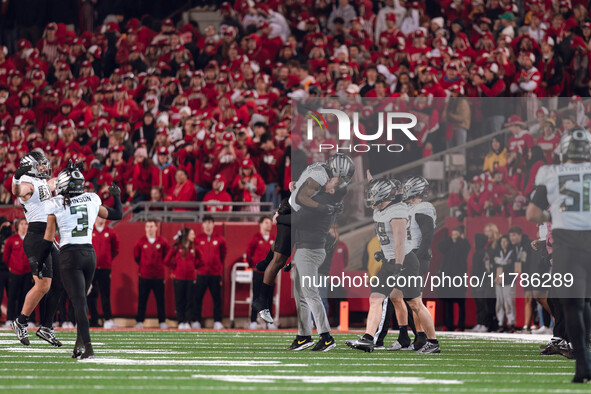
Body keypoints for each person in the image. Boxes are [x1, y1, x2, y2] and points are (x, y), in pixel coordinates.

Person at [252, 153, 355, 333]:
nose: (336, 182)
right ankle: (263, 302)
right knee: (281, 265)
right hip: (300, 226)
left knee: (304, 291)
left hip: (304, 236)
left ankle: (316, 335)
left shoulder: (320, 173)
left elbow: (300, 205)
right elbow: (302, 199)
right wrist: (286, 211)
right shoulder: (323, 189)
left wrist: (282, 214)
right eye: (338, 180)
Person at [347, 176, 440, 354]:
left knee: (415, 304)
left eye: (374, 194)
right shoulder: (381, 210)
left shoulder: (398, 211)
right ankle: (368, 338)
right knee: (376, 299)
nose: (370, 197)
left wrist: (398, 266)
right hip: (390, 261)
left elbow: (399, 242)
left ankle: (432, 341)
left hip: (405, 262)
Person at [526, 129, 591, 382]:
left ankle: (583, 363)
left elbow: (532, 214)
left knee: (572, 304)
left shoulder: (550, 173)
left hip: (566, 244)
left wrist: (554, 217)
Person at [41, 168, 122, 359]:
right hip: (89, 255)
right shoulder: (92, 199)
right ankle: (79, 345)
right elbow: (117, 214)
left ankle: (88, 348)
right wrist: (116, 196)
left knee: (79, 302)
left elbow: (48, 239)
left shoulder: (56, 204)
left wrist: (40, 261)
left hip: (70, 255)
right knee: (81, 302)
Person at [10, 151, 66, 347]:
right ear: (30, 167)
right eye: (40, 165)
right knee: (43, 285)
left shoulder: (39, 181)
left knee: (60, 280)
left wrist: (70, 173)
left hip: (49, 236)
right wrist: (16, 175)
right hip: (37, 236)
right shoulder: (26, 182)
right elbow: (17, 190)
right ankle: (21, 321)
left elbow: (53, 183)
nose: (44, 167)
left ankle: (46, 327)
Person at [133, 220, 170, 329]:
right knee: (142, 300)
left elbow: (167, 256)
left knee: (160, 300)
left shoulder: (162, 241)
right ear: (145, 228)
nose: (150, 229)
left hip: (158, 276)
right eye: (148, 226)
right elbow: (136, 257)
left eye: (152, 226)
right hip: (144, 276)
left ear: (156, 228)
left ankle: (162, 321)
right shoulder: (141, 242)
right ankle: (139, 321)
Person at [193, 215, 226, 330]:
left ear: (213, 224)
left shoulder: (220, 239)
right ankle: (196, 320)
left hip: (215, 274)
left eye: (210, 222)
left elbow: (223, 256)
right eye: (205, 222)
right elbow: (194, 256)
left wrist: (218, 268)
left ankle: (217, 321)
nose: (207, 225)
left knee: (217, 299)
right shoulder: (197, 239)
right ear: (202, 225)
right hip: (201, 273)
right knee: (197, 298)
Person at [88, 215, 119, 329]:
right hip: (92, 268)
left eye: (103, 217)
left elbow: (115, 249)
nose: (101, 219)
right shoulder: (90, 231)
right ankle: (93, 319)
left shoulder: (110, 233)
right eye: (100, 216)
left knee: (105, 294)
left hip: (105, 268)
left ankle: (107, 319)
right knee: (91, 295)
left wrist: (107, 260)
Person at [165, 228, 199, 329]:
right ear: (187, 235)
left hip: (190, 278)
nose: (194, 236)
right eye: (192, 234)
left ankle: (188, 321)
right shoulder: (177, 247)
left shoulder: (194, 247)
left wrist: (193, 268)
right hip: (179, 278)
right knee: (180, 300)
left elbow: (200, 260)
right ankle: (180, 321)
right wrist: (174, 269)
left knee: (189, 300)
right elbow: (166, 260)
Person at [438, 226, 471, 331]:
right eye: (453, 234)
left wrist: (459, 240)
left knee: (460, 302)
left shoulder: (464, 244)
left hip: (459, 276)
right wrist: (451, 239)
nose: (454, 237)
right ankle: (449, 324)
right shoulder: (448, 245)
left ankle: (461, 325)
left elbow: (463, 249)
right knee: (448, 302)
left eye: (456, 234)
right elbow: (440, 247)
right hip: (448, 276)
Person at [246, 216, 276, 329]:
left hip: (270, 273)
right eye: (266, 222)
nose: (269, 224)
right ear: (260, 224)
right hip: (258, 273)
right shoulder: (255, 239)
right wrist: (253, 266)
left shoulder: (274, 239)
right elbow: (249, 254)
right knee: (256, 296)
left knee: (269, 297)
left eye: (270, 222)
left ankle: (269, 322)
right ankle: (253, 320)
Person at [4, 218, 33, 327]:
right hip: (15, 273)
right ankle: (9, 319)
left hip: (28, 273)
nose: (24, 226)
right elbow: (6, 256)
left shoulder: (30, 239)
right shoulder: (11, 240)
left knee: (27, 297)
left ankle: (26, 320)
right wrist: (11, 267)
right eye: (22, 224)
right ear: (17, 226)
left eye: (26, 224)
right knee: (12, 297)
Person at [493, 235, 516, 333]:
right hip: (499, 281)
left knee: (509, 302)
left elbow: (514, 268)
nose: (503, 243)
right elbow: (493, 266)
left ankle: (511, 323)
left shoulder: (513, 253)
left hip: (509, 281)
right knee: (500, 302)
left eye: (505, 241)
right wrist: (495, 277)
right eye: (502, 241)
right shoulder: (497, 253)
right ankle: (500, 323)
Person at [0, 217, 12, 327]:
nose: (7, 228)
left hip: (10, 269)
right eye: (5, 226)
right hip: (0, 269)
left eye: (8, 226)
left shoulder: (12, 237)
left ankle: (12, 319)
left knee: (13, 296)